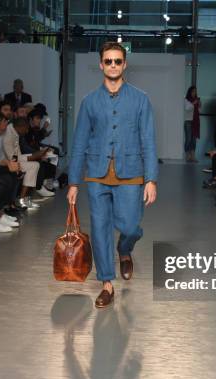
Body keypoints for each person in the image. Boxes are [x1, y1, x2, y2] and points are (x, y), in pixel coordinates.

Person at [67, 41, 158, 308]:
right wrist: (73, 182)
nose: (113, 65)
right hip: (96, 175)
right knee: (99, 230)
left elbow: (149, 140)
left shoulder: (141, 99)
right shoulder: (89, 102)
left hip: (131, 174)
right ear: (101, 65)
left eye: (118, 61)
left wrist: (151, 179)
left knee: (129, 226)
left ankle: (125, 249)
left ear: (125, 64)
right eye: (108, 61)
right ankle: (106, 283)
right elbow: (79, 143)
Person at [184, 86, 201, 163]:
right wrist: (194, 103)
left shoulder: (196, 100)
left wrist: (199, 104)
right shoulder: (186, 99)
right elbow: (187, 108)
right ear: (190, 92)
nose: (194, 93)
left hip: (195, 122)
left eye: (195, 91)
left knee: (194, 140)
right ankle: (187, 156)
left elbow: (199, 110)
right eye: (193, 91)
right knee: (188, 139)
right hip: (188, 121)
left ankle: (193, 156)